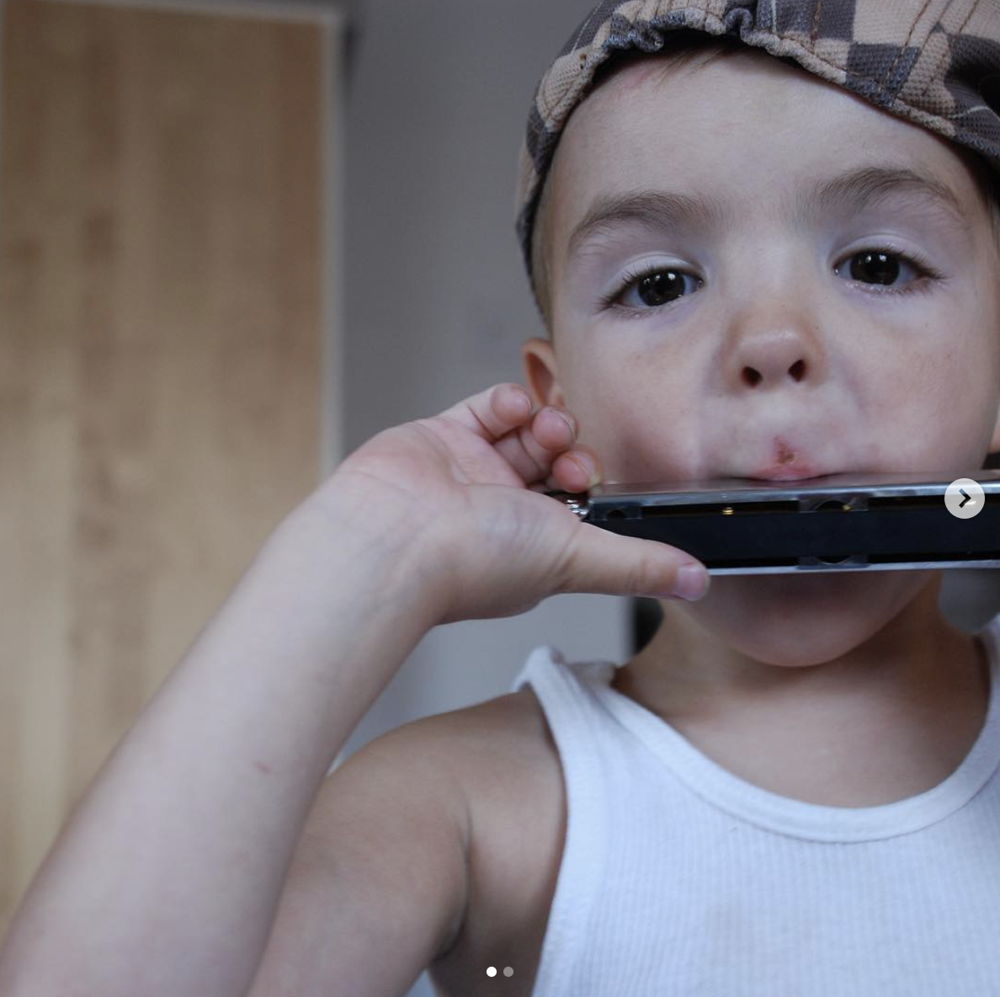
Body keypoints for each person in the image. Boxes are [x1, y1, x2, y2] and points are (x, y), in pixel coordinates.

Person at [3, 1, 1000, 994]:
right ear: (561, 404)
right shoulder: (481, 804)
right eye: (658, 285)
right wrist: (364, 548)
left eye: (878, 264)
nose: (769, 343)